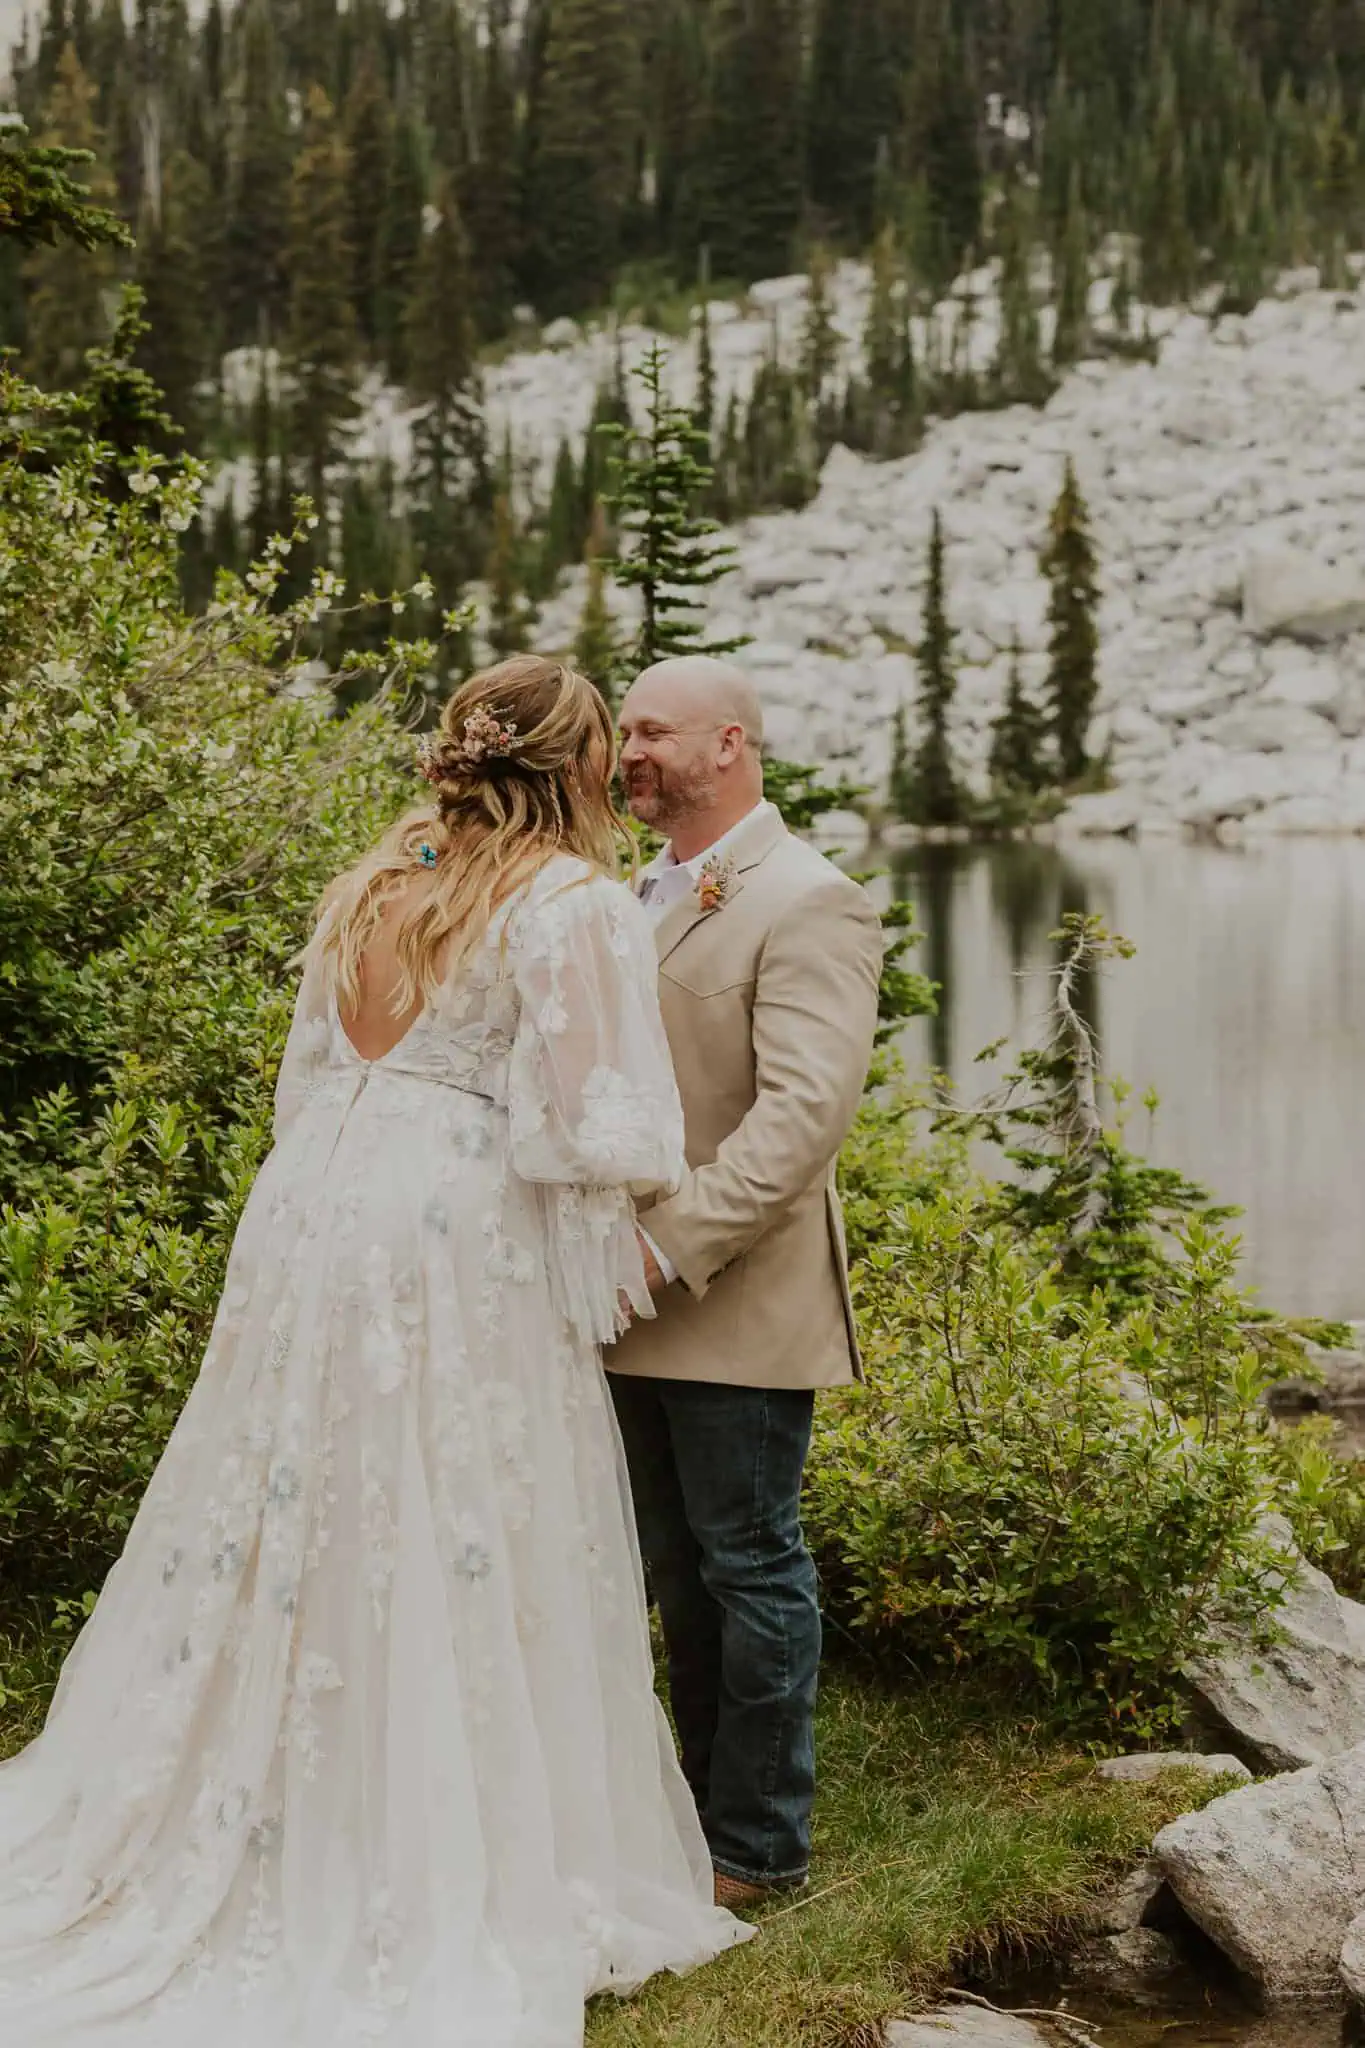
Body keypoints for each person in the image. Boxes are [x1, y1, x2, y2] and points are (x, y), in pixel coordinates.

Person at [0, 656, 750, 2047]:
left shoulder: (371, 880)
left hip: (319, 1209)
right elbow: (598, 1132)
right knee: (453, 1498)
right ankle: (422, 1840)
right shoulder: (570, 902)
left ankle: (249, 1793)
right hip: (451, 1229)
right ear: (573, 765)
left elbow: (309, 1081)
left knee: (297, 1495)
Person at [610, 655, 884, 1914]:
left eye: (652, 730)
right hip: (627, 1307)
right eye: (623, 730)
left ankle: (760, 1850)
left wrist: (668, 1244)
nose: (630, 750)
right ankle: (694, 1822)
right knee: (674, 1575)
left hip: (731, 1299)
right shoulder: (642, 887)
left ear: (730, 744)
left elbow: (802, 1117)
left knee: (752, 1567)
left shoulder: (810, 897)